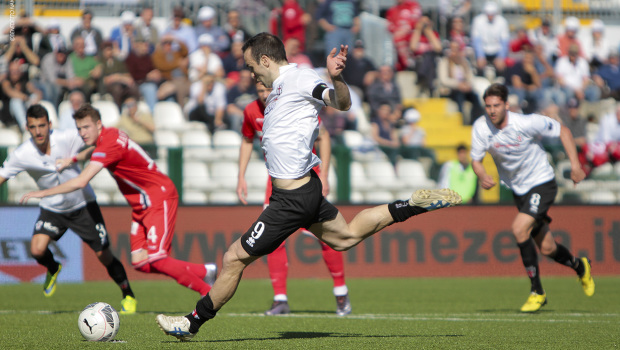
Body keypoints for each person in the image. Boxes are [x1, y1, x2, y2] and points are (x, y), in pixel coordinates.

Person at [155, 33, 461, 341]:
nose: (251, 73)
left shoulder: (300, 78)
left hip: (292, 198)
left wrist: (336, 78)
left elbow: (341, 102)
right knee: (346, 237)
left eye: (251, 65)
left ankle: (191, 323)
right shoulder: (276, 90)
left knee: (233, 258)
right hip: (302, 189)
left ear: (265, 60)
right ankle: (411, 205)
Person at [20, 104, 218, 298]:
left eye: (86, 127)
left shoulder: (108, 144)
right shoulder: (109, 135)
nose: (82, 133)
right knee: (140, 262)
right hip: (141, 204)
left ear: (98, 124)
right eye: (79, 128)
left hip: (158, 196)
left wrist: (44, 193)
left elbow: (81, 181)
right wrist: (71, 160)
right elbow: (92, 150)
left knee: (157, 259)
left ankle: (208, 293)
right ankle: (204, 271)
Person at [470, 83, 594, 313]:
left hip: (542, 183)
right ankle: (580, 267)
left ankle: (537, 292)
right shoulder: (480, 127)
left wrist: (575, 166)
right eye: (488, 106)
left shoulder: (526, 122)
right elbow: (476, 160)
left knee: (519, 229)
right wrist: (482, 175)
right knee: (547, 249)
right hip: (520, 191)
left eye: (496, 105)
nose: (492, 110)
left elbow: (563, 131)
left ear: (507, 105)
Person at [0, 105, 137, 313]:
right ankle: (53, 267)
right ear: (27, 128)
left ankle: (128, 294)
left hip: (83, 205)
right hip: (52, 209)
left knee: (104, 255)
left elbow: (100, 141)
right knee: (37, 250)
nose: (38, 131)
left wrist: (78, 157)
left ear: (50, 125)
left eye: (42, 125)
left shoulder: (67, 138)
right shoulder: (22, 154)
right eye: (33, 127)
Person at [236, 80, 352, 316]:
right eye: (259, 91)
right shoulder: (251, 111)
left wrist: (326, 175)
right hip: (277, 181)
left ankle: (341, 293)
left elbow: (324, 137)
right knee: (273, 239)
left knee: (327, 236)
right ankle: (280, 299)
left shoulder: (291, 104)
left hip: (307, 178)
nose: (264, 94)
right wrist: (241, 176)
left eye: (267, 89)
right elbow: (247, 139)